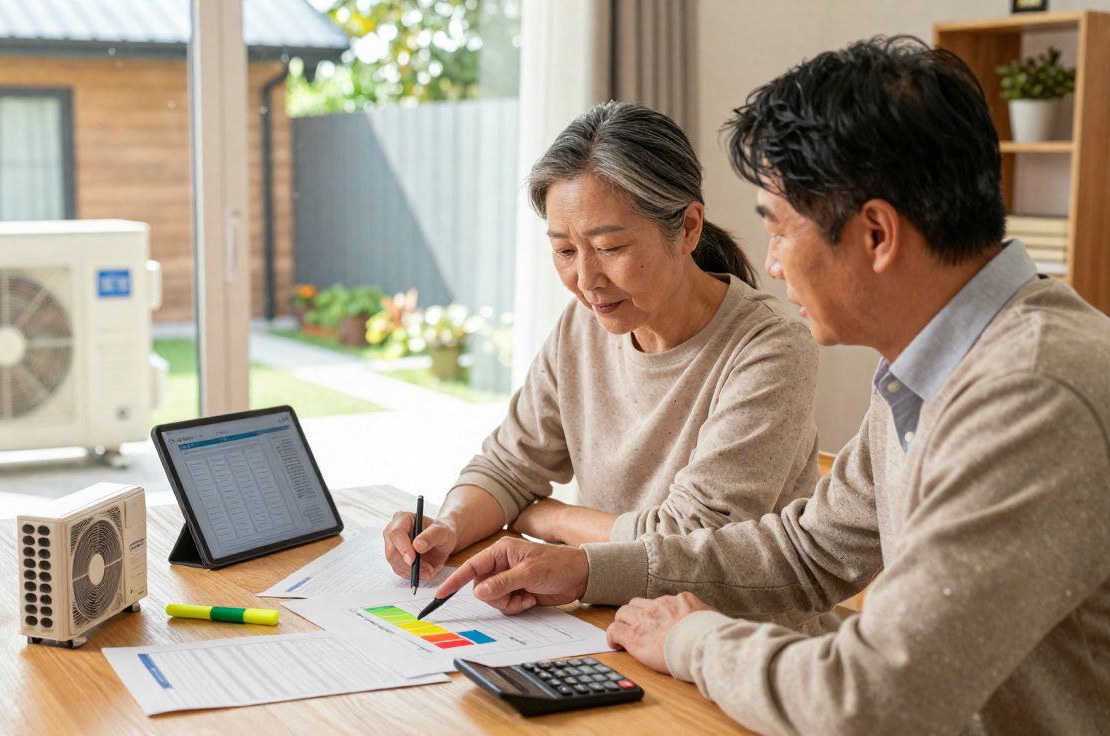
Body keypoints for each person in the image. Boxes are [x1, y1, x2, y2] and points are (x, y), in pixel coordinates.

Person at [432, 36, 1110, 734]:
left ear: (877, 234)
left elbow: (872, 696)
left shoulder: (1030, 395)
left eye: (780, 229)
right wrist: (584, 570)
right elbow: (807, 550)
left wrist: (691, 639)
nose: (772, 263)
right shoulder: (929, 367)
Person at [383, 101, 821, 590]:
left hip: (725, 626)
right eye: (565, 250)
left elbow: (689, 540)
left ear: (688, 228)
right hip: (605, 613)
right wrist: (448, 526)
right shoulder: (584, 325)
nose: (586, 280)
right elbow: (508, 467)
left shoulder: (770, 349)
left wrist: (554, 519)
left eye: (610, 248)